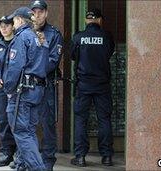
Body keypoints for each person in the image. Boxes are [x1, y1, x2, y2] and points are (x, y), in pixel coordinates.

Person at [3, 6, 48, 171]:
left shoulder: (21, 38)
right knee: (28, 132)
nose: (12, 25)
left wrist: (8, 89)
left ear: (20, 20)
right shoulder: (38, 37)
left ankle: (37, 168)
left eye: (13, 20)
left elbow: (15, 68)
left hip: (23, 92)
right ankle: (23, 165)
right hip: (36, 90)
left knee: (21, 132)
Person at [70, 8, 115, 167]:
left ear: (86, 20)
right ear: (100, 20)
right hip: (102, 85)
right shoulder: (107, 37)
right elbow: (109, 53)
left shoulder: (78, 37)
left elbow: (73, 56)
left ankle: (80, 156)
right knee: (104, 119)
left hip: (83, 85)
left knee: (81, 120)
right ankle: (107, 156)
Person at [30, 0, 63, 170]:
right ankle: (26, 159)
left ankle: (48, 160)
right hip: (27, 86)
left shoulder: (54, 34)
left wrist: (32, 68)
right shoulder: (26, 33)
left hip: (45, 85)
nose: (37, 15)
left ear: (46, 13)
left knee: (47, 124)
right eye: (34, 12)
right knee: (26, 123)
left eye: (40, 12)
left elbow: (52, 62)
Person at [0, 16, 16, 167]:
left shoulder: (19, 43)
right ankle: (7, 153)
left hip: (16, 88)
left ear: (13, 26)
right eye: (1, 26)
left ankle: (20, 152)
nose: (4, 28)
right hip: (1, 89)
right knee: (3, 120)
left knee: (18, 121)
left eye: (7, 25)